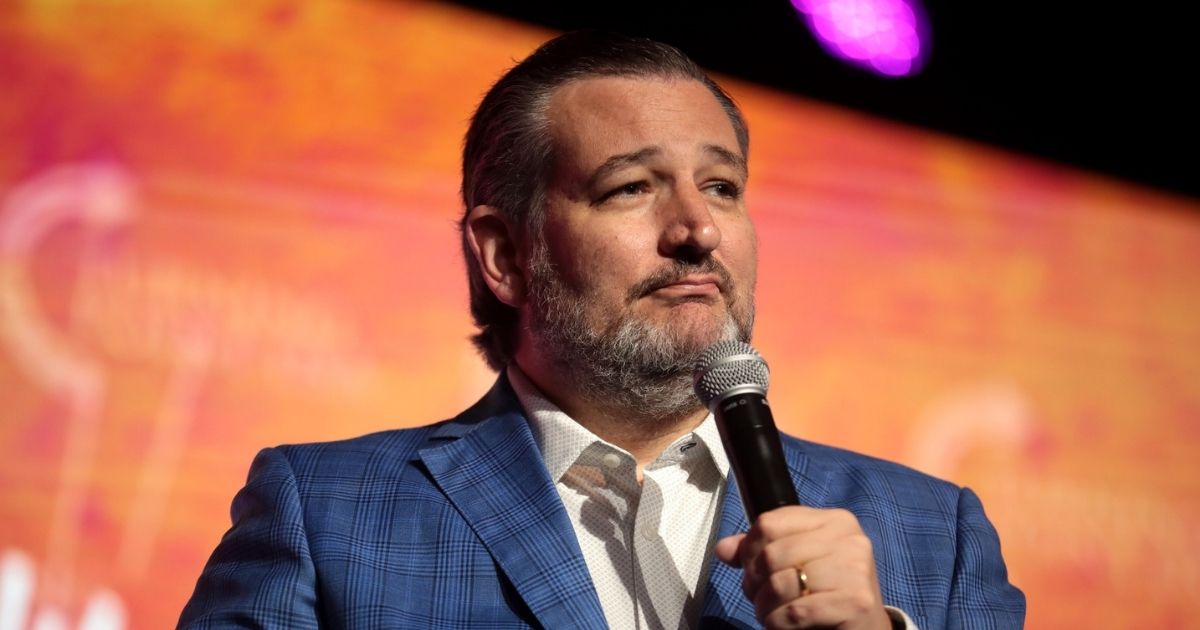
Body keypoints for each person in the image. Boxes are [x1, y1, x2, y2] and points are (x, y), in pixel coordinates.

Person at [179, 31, 1025, 629]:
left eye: (723, 187)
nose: (698, 229)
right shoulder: (326, 515)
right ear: (506, 254)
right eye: (631, 188)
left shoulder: (929, 534)